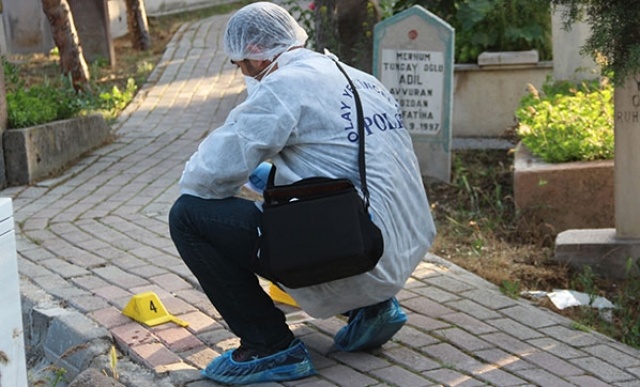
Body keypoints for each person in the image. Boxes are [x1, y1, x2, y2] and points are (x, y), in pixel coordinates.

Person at [168, 2, 436, 385]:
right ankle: (373, 306)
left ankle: (269, 345)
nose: (243, 74)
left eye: (239, 64)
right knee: (281, 188)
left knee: (189, 216)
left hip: (362, 254)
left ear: (256, 57)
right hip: (399, 249)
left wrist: (241, 182)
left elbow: (206, 177)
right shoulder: (355, 76)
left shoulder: (283, 86)